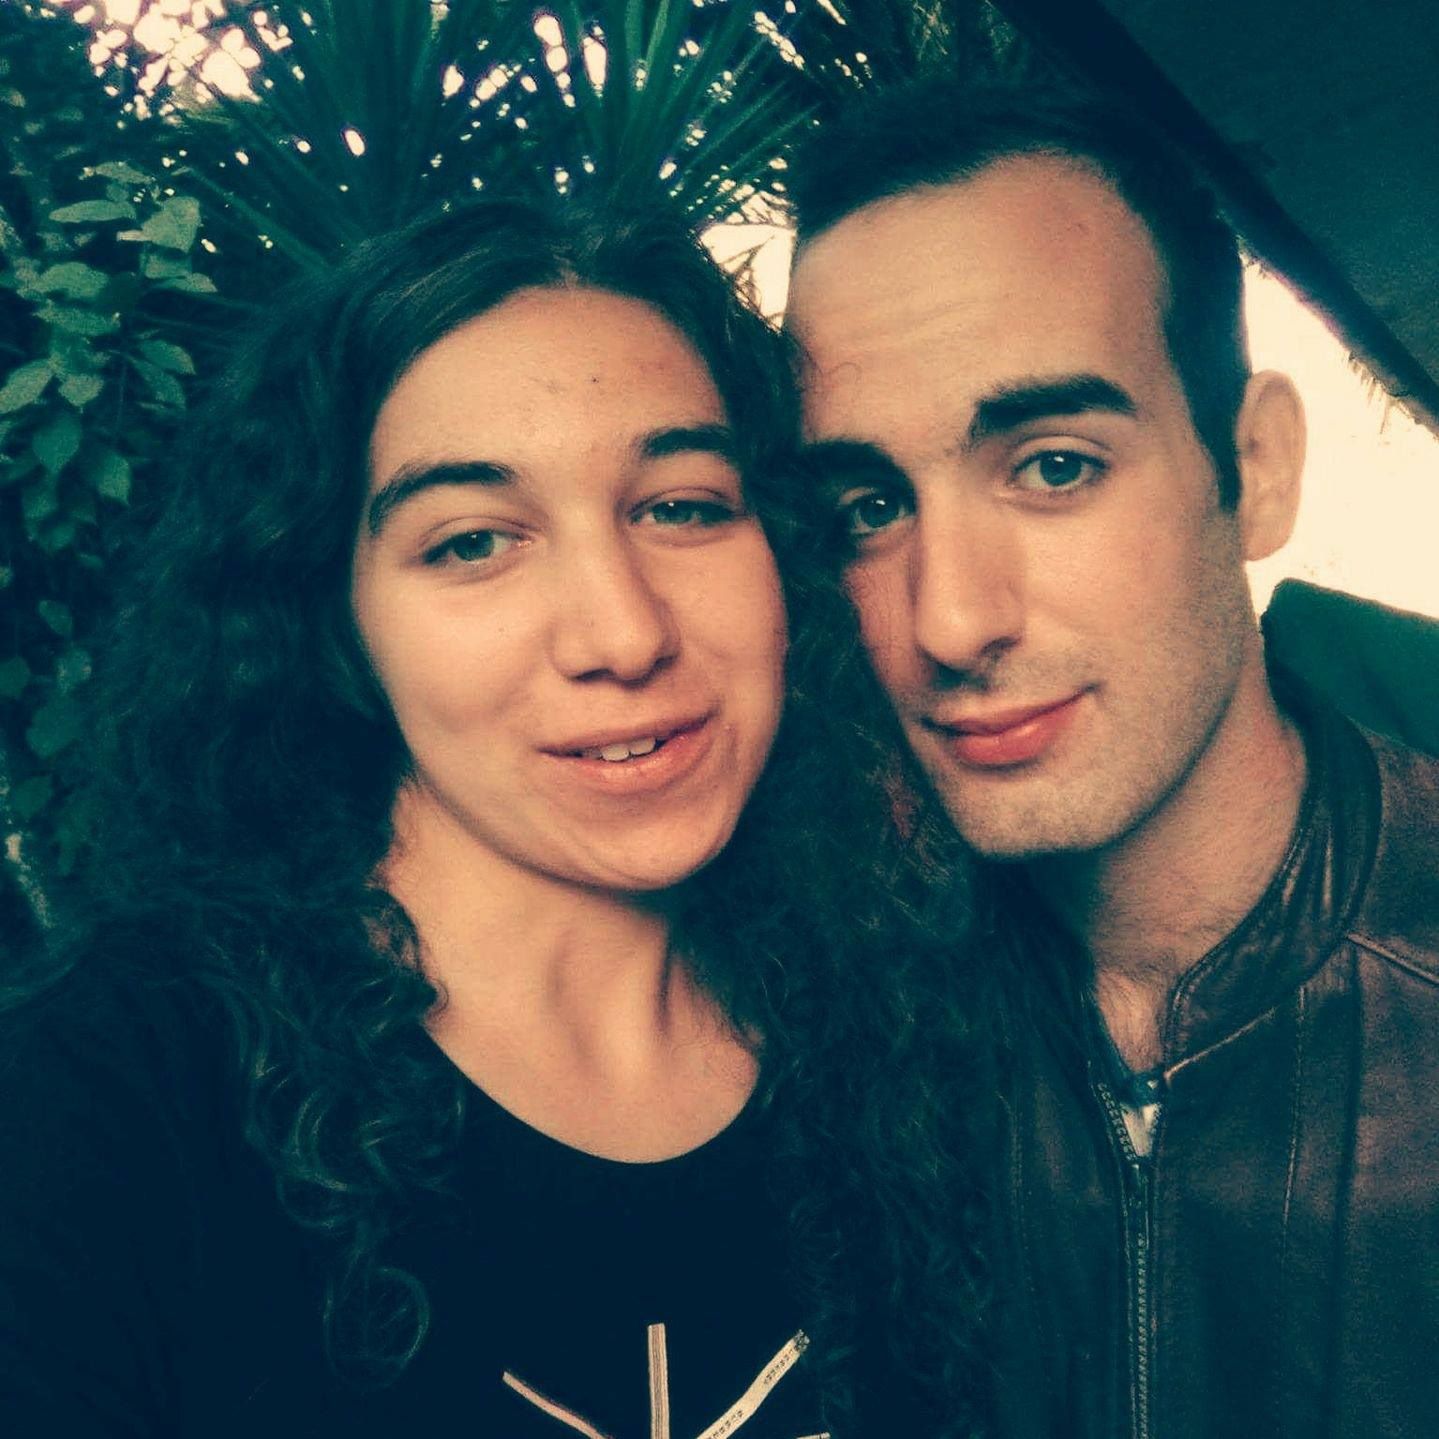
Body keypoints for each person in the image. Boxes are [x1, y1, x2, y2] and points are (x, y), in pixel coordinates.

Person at [0, 198, 992, 1437]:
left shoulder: (912, 1044)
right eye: (474, 541)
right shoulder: (98, 1106)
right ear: (334, 623)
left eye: (681, 506)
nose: (623, 632)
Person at [783, 78, 1439, 1439]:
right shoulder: (844, 1036)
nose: (947, 618)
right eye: (868, 505)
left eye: (1052, 466)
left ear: (1252, 468)